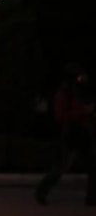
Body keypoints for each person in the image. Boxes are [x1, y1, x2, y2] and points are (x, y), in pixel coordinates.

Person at [34, 63, 96, 206]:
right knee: (62, 166)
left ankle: (92, 198)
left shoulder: (77, 93)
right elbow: (61, 117)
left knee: (92, 167)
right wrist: (83, 112)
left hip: (83, 133)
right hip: (72, 134)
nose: (81, 80)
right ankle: (41, 191)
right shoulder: (63, 95)